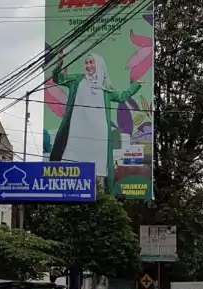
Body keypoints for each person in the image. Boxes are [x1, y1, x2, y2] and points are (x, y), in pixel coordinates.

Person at [49, 51, 142, 193]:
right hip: (78, 133)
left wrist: (135, 86)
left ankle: (98, 195)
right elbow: (57, 78)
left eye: (91, 62)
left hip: (99, 137)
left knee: (98, 172)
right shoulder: (77, 80)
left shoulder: (106, 89)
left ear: (98, 65)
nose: (88, 65)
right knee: (71, 167)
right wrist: (60, 62)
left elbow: (122, 97)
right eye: (86, 62)